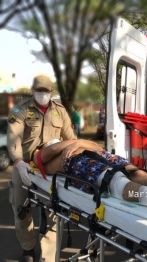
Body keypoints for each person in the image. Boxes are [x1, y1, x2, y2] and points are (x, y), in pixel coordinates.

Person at [7, 75, 76, 262]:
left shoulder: (60, 111)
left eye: (45, 91)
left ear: (51, 91)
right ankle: (27, 248)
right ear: (32, 90)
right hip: (25, 165)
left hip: (50, 170)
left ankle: (48, 257)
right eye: (38, 90)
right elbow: (13, 139)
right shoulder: (20, 110)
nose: (42, 94)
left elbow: (71, 138)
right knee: (21, 211)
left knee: (52, 212)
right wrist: (19, 163)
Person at [31, 139, 147, 212]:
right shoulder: (45, 158)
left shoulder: (75, 144)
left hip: (100, 155)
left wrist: (76, 143)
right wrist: (72, 142)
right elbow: (46, 154)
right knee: (116, 180)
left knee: (134, 171)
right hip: (81, 163)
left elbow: (97, 147)